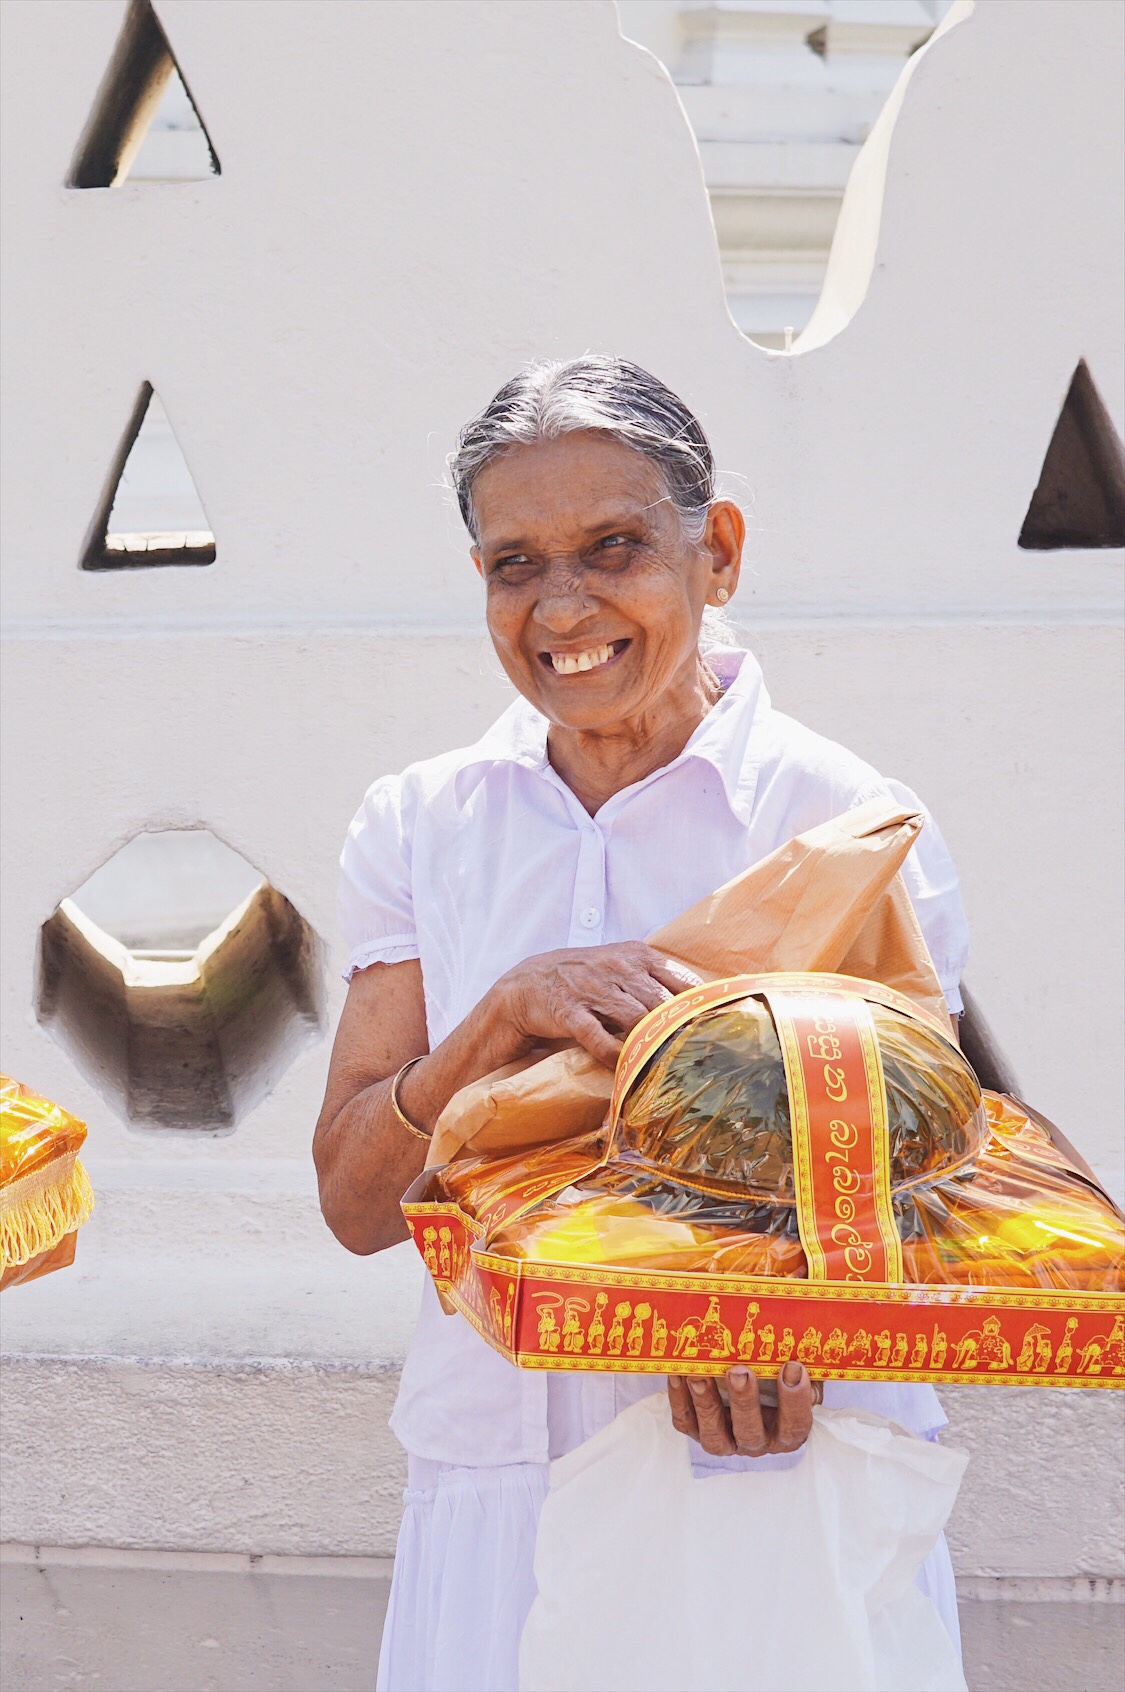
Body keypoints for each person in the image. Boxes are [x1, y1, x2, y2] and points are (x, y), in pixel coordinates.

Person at [313, 357, 969, 1692]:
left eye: (613, 548)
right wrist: (495, 1020)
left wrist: (784, 1333)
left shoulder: (842, 823)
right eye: (513, 564)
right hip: (497, 1466)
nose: (560, 607)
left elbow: (935, 1185)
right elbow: (357, 1203)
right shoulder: (421, 825)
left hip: (767, 1468)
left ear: (714, 552)